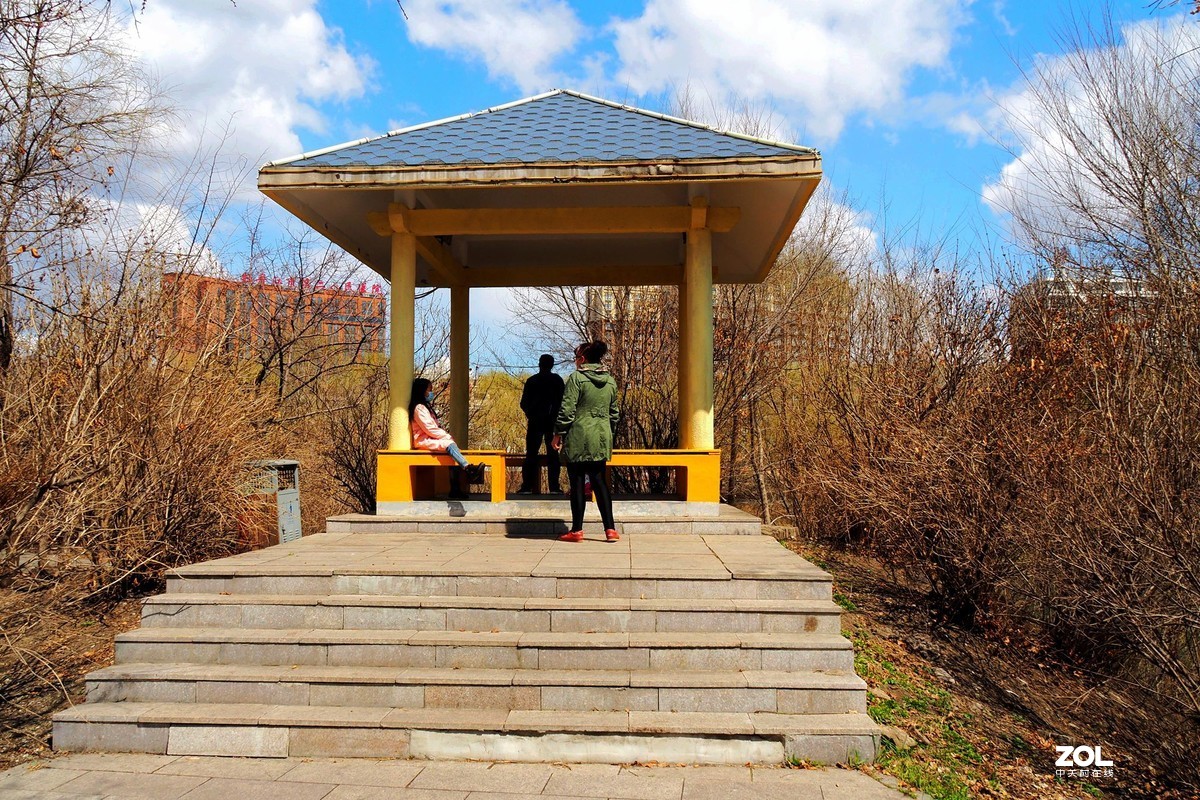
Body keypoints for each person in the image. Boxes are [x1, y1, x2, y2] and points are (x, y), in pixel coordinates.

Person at [553, 341, 620, 542]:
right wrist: (609, 434)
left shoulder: (576, 378)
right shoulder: (610, 381)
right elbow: (614, 414)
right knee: (600, 481)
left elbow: (567, 409)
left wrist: (558, 432)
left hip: (578, 435)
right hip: (601, 436)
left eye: (576, 358)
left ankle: (577, 530)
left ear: (582, 359)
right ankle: (610, 530)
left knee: (577, 482)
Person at [409, 378, 480, 500]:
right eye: (429, 390)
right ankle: (468, 469)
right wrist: (445, 436)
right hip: (424, 440)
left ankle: (456, 487)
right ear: (422, 391)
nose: (431, 393)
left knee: (452, 452)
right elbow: (430, 428)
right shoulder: (419, 408)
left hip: (430, 439)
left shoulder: (425, 407)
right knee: (449, 444)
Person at [518, 354, 564, 494]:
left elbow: (523, 403)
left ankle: (527, 486)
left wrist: (531, 414)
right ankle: (554, 487)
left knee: (531, 454)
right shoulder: (557, 380)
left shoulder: (532, 381)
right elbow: (563, 402)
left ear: (539, 364)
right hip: (552, 422)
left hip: (535, 422)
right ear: (552, 364)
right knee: (553, 454)